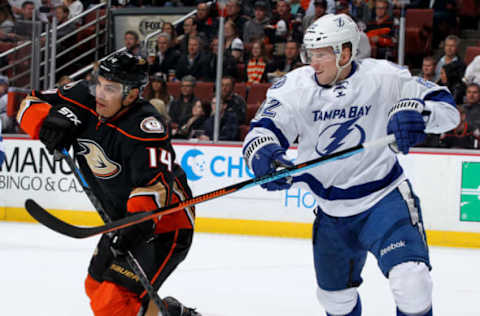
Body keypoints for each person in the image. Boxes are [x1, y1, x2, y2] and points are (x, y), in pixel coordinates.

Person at [242, 13, 459, 316]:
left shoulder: (384, 76)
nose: (313, 63)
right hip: (332, 214)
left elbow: (449, 111)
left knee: (412, 283)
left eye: (321, 55)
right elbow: (262, 130)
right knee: (334, 300)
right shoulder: (294, 86)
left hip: (384, 200)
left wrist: (418, 113)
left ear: (345, 52)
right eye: (310, 54)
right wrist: (264, 155)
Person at [16, 51, 200, 316]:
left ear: (131, 94)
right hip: (121, 220)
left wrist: (134, 226)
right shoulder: (82, 99)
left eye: (110, 88)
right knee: (95, 286)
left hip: (163, 224)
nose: (100, 93)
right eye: (99, 83)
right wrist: (46, 122)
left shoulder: (146, 128)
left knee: (114, 302)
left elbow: (155, 186)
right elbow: (27, 101)